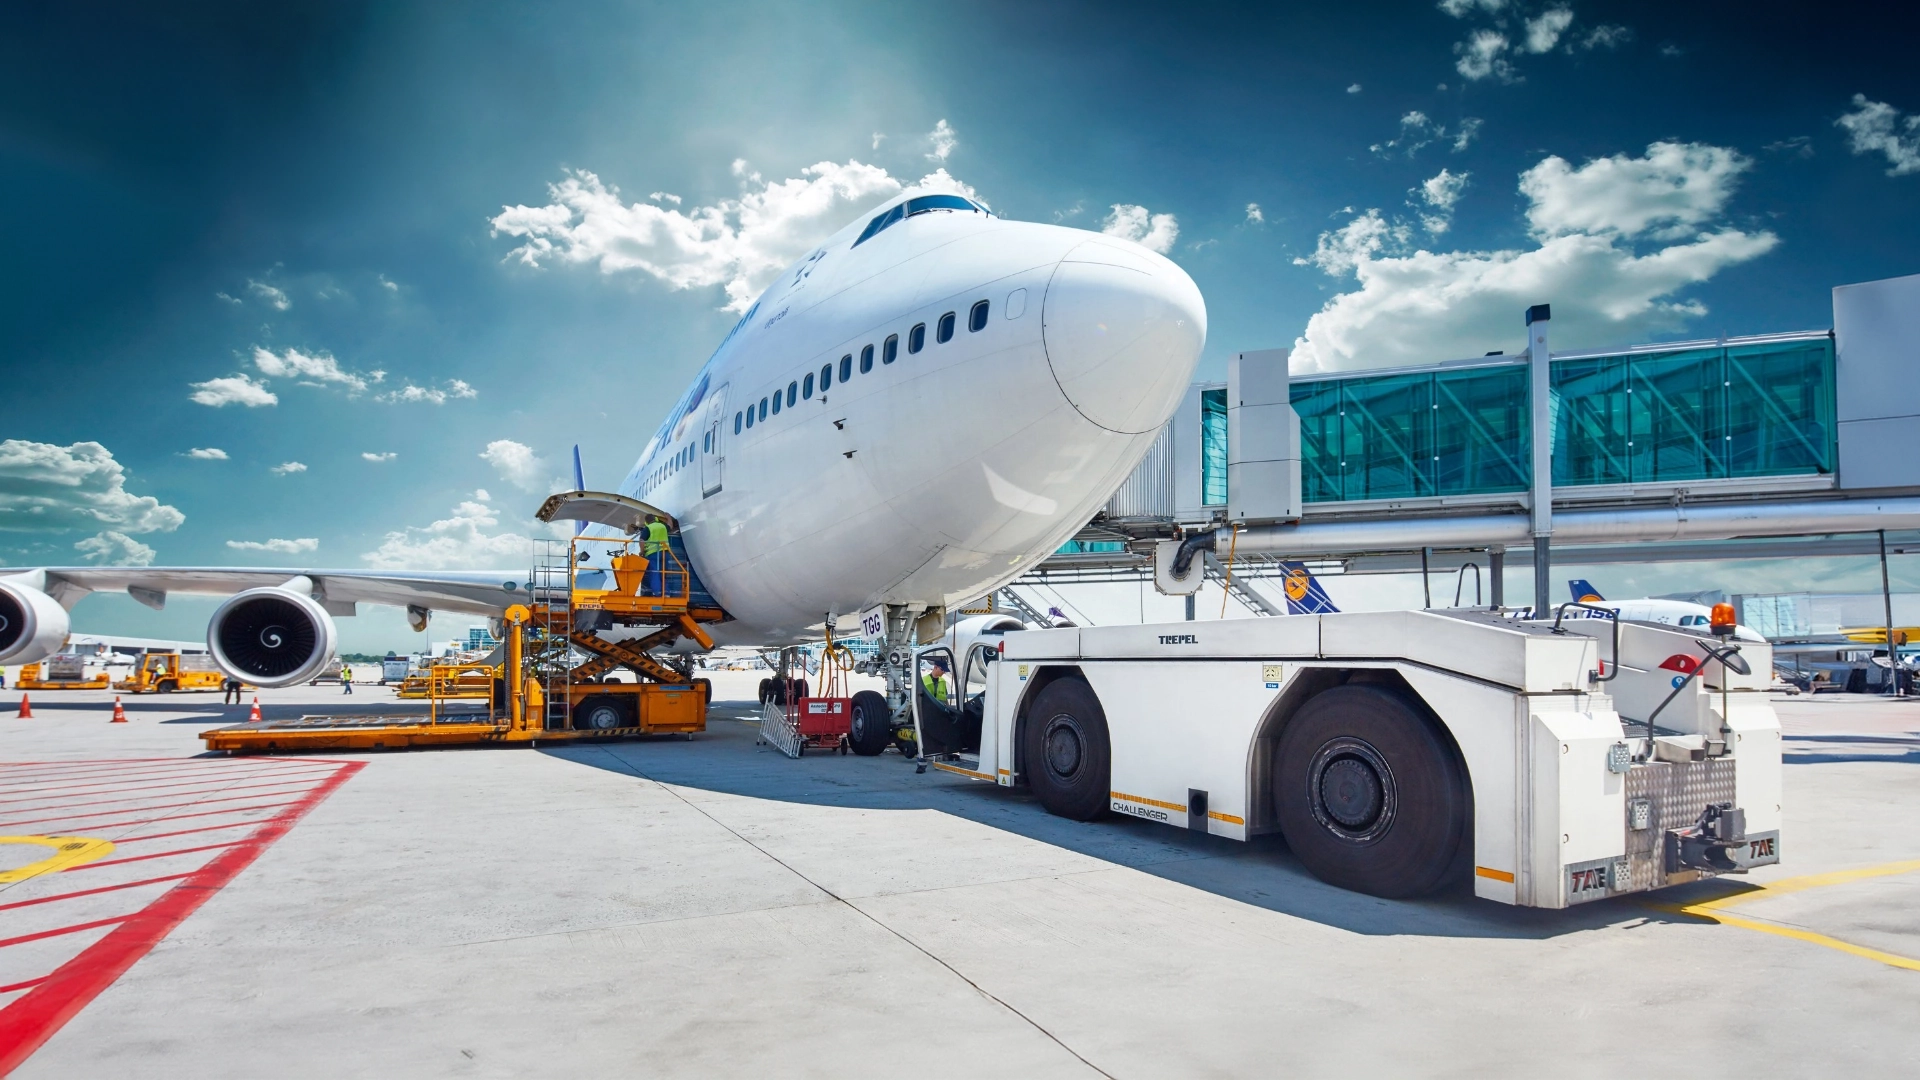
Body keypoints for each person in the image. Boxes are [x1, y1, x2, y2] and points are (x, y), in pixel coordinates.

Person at [643, 515, 671, 596]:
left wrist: (642, 551)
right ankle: (666, 593)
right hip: (665, 553)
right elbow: (670, 526)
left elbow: (641, 540)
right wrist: (668, 517)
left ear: (646, 522)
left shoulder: (648, 528)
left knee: (654, 573)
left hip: (653, 554)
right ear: (656, 519)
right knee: (664, 573)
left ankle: (657, 593)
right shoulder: (663, 526)